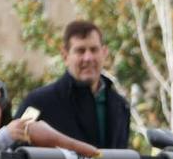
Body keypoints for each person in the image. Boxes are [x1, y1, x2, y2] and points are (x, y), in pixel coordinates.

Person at [17, 20, 131, 151]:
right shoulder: (38, 102)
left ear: (104, 53)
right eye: (80, 51)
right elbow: (15, 151)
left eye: (94, 50)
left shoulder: (120, 106)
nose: (88, 58)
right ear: (65, 56)